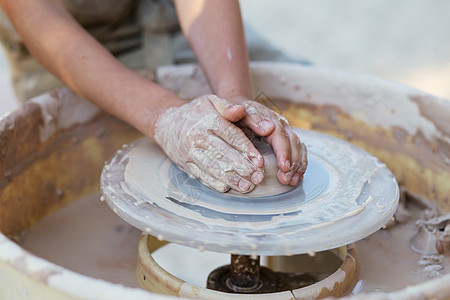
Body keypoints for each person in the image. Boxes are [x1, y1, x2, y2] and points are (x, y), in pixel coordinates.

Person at [0, 0, 307, 193]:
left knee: (301, 113)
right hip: (63, 37)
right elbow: (38, 15)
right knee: (90, 190)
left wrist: (236, 99)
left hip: (171, 17)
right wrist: (168, 118)